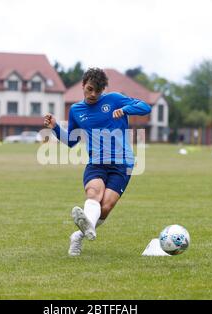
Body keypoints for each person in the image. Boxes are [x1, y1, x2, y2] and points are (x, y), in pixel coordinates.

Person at [44, 68, 151, 256]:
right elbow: (71, 141)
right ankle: (86, 229)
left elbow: (145, 108)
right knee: (94, 193)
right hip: (97, 162)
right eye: (90, 89)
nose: (93, 94)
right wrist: (55, 127)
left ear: (104, 90)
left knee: (106, 206)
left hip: (122, 163)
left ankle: (78, 235)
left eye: (98, 91)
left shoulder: (116, 99)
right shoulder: (76, 110)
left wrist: (125, 109)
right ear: (83, 85)